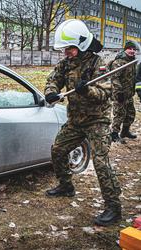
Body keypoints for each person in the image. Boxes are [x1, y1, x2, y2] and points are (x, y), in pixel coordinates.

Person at [44, 19, 121, 226]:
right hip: (76, 120)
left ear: (81, 45)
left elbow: (106, 93)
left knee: (100, 161)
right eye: (65, 49)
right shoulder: (65, 63)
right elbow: (53, 80)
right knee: (58, 150)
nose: (66, 52)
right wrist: (51, 92)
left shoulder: (99, 63)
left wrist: (86, 89)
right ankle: (66, 186)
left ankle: (113, 207)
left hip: (98, 120)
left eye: (69, 48)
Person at [110, 41, 137, 142]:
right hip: (120, 94)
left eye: (134, 49)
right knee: (119, 115)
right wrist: (119, 92)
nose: (132, 51)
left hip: (129, 94)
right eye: (130, 49)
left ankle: (125, 132)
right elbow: (115, 78)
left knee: (130, 114)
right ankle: (114, 134)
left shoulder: (132, 62)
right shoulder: (119, 62)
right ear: (125, 49)